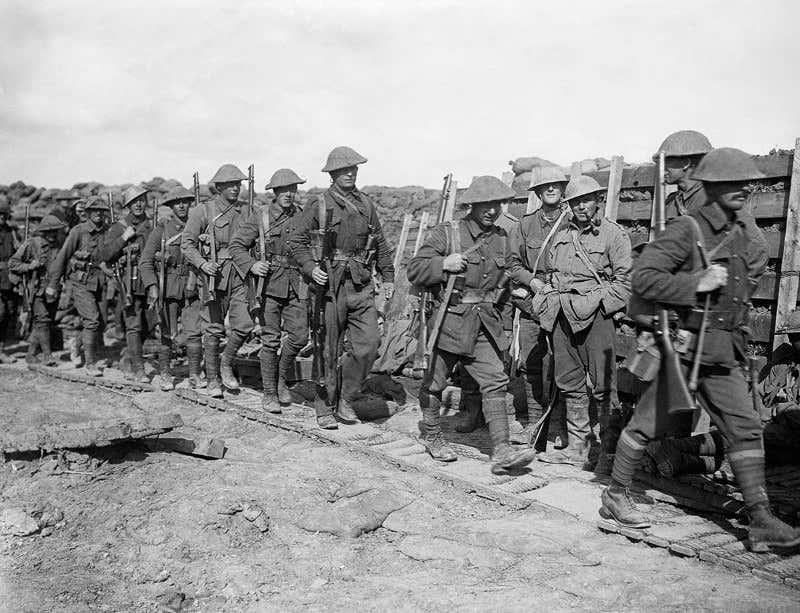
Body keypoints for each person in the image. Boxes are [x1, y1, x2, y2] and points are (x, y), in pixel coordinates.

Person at [600, 147, 800, 553]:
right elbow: (643, 281)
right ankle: (616, 495)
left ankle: (760, 519)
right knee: (645, 426)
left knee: (745, 429)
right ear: (711, 186)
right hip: (685, 354)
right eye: (733, 183)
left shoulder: (742, 231)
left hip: (722, 355)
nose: (744, 190)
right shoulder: (686, 229)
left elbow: (746, 283)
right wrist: (697, 284)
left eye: (746, 183)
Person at [407, 175, 536, 472]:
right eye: (485, 204)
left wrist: (505, 322)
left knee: (495, 380)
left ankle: (502, 450)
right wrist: (442, 264)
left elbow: (504, 284)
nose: (492, 210)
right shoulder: (448, 234)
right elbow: (414, 269)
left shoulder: (503, 238)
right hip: (448, 322)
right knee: (435, 383)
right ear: (472, 205)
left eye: (497, 204)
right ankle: (433, 435)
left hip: (484, 323)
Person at [530, 176, 631, 469]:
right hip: (562, 315)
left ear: (598, 200)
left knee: (604, 385)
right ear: (568, 205)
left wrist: (600, 305)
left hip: (596, 318)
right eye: (575, 202)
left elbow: (625, 281)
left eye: (586, 200)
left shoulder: (613, 235)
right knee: (569, 381)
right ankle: (578, 447)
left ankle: (608, 453)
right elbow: (552, 274)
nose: (581, 206)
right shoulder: (561, 236)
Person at [290, 147, 394, 426]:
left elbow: (381, 243)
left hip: (360, 284)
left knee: (369, 344)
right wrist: (311, 269)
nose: (350, 173)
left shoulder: (366, 205)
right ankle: (324, 406)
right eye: (343, 170)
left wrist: (389, 278)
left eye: (353, 169)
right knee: (327, 347)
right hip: (330, 287)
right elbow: (296, 243)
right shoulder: (319, 205)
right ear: (332, 174)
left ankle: (347, 398)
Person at [229, 168, 310, 414]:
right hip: (269, 286)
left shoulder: (301, 216)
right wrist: (252, 265)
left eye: (292, 189)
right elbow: (236, 246)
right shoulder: (260, 217)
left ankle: (281, 378)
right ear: (275, 192)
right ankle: (270, 392)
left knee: (299, 337)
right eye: (283, 190)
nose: (289, 194)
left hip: (296, 284)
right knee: (270, 340)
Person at [507, 166, 571, 444]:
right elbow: (512, 264)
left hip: (563, 303)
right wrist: (531, 282)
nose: (552, 189)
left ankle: (559, 426)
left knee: (565, 365)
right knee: (531, 363)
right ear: (537, 192)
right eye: (546, 186)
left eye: (556, 184)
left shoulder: (573, 221)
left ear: (563, 188)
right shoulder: (526, 224)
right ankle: (534, 424)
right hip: (532, 303)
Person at [181, 164, 254, 398]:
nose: (235, 188)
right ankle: (212, 380)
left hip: (240, 274)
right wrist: (202, 264)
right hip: (214, 276)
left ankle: (226, 363)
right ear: (219, 187)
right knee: (213, 328)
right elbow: (187, 244)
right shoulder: (203, 211)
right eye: (230, 184)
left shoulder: (246, 211)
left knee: (244, 325)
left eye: (238, 184)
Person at [48, 197, 121, 376]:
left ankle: (77, 344)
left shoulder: (107, 231)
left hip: (100, 282)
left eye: (101, 210)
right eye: (94, 210)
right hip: (80, 282)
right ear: (87, 213)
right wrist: (53, 284)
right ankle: (90, 363)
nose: (98, 213)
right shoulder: (78, 231)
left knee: (100, 322)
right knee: (92, 320)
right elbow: (62, 257)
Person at [139, 187, 202, 390]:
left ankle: (194, 374)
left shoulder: (199, 227)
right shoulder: (162, 231)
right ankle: (165, 374)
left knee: (194, 331)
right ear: (171, 207)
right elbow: (145, 261)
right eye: (177, 203)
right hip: (168, 287)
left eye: (185, 201)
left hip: (192, 285)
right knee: (166, 332)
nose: (182, 206)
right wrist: (152, 286)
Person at [98, 186, 154, 383]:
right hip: (129, 281)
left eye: (141, 200)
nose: (138, 204)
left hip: (149, 281)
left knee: (148, 324)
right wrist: (123, 238)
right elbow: (104, 255)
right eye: (134, 202)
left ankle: (128, 360)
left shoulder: (151, 225)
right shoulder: (119, 227)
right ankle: (139, 369)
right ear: (128, 206)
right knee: (134, 325)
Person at [9, 215, 67, 365]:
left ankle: (30, 355)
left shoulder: (60, 245)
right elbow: (13, 263)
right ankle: (48, 356)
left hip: (53, 290)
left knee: (44, 323)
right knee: (42, 320)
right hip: (35, 289)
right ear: (43, 232)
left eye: (55, 231)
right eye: (49, 232)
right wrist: (30, 266)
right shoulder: (32, 244)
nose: (52, 235)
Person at [0, 201, 22, 363]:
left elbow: (18, 251)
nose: (1, 217)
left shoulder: (11, 232)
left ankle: (1, 349)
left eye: (4, 214)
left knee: (8, 312)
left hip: (8, 278)